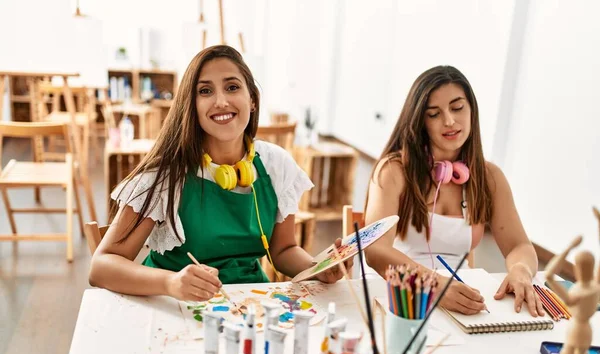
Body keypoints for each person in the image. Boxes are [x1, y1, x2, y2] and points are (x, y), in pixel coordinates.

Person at [89, 45, 343, 302]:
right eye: (205, 91)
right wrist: (170, 282)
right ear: (192, 105)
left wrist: (317, 268)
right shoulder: (164, 176)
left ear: (252, 100)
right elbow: (101, 267)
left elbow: (284, 250)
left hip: (249, 303)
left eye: (232, 87)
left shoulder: (276, 164)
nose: (221, 101)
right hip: (175, 305)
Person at [364, 65, 544, 316]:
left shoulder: (489, 178)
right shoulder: (394, 170)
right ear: (420, 121)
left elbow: (519, 246)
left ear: (471, 110)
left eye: (457, 108)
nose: (449, 121)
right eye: (434, 114)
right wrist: (434, 285)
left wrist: (521, 269)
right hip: (405, 297)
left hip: (462, 299)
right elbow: (375, 250)